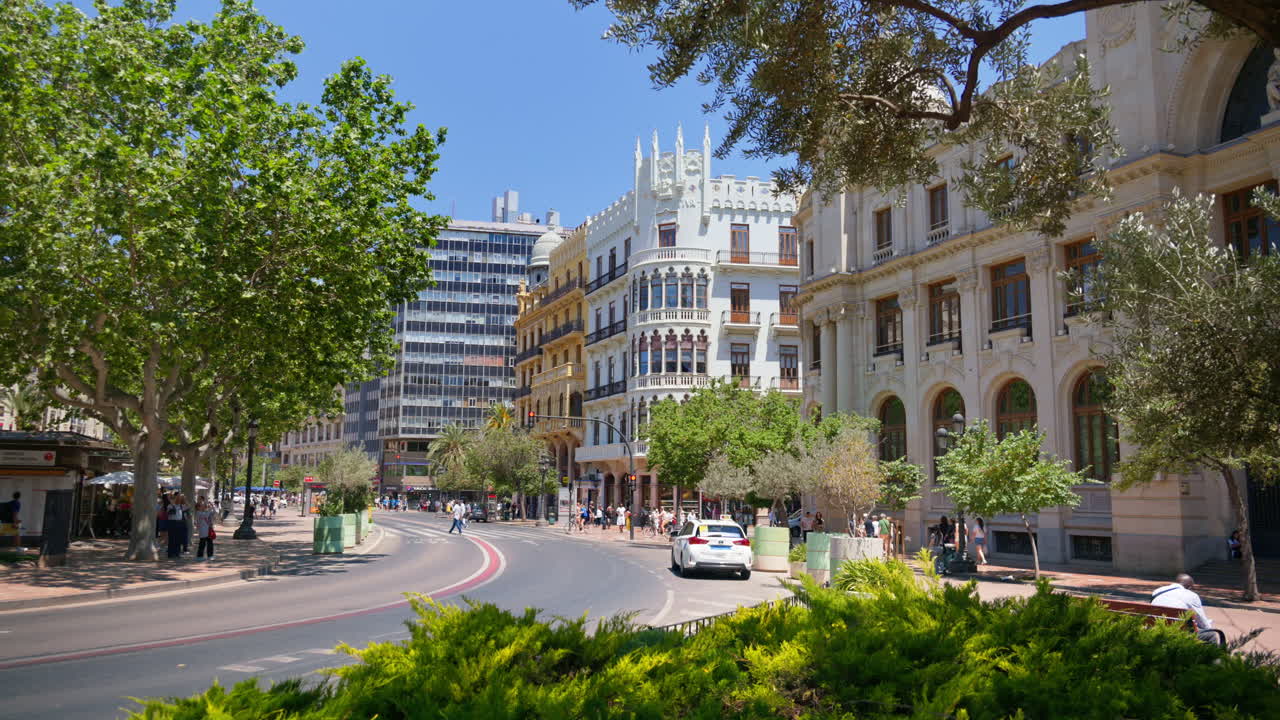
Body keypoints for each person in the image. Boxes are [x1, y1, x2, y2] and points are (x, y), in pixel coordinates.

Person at [1150, 573, 1222, 645]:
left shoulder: (1157, 591)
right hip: (1178, 633)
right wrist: (1209, 627)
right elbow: (1202, 622)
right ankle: (1212, 656)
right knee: (1211, 634)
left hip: (1157, 629)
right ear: (1190, 587)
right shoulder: (1191, 595)